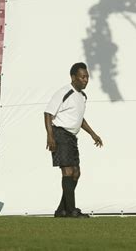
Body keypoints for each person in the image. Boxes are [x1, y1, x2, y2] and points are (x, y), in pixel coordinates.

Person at [44, 62, 103, 218]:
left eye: (87, 77)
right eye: (82, 77)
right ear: (73, 77)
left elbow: (79, 118)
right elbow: (48, 113)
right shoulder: (64, 92)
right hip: (60, 134)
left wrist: (93, 134)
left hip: (71, 137)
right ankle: (72, 210)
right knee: (68, 171)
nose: (86, 80)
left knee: (76, 173)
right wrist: (50, 136)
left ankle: (61, 210)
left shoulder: (82, 97)